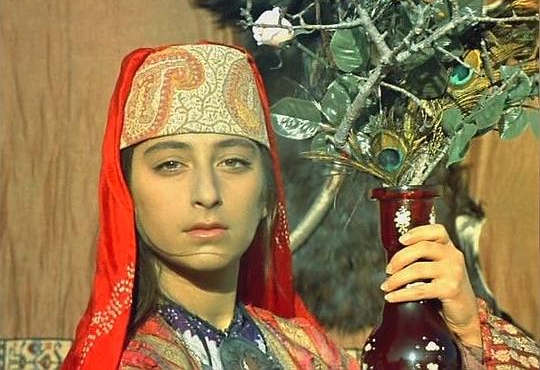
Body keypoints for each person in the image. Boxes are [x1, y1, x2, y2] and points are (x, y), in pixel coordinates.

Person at [63, 43, 539, 369]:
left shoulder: (304, 350)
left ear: (267, 195)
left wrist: (466, 328)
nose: (206, 192)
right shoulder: (134, 360)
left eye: (233, 162)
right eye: (171, 164)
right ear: (126, 192)